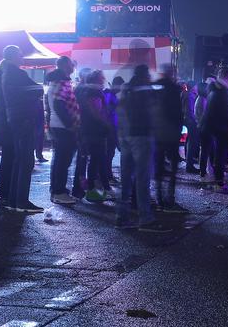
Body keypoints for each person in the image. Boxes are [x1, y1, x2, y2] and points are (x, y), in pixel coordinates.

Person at [116, 65, 170, 232]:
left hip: (125, 136)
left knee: (125, 178)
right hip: (141, 136)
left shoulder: (126, 89)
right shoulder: (144, 91)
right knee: (142, 178)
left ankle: (122, 216)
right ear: (145, 75)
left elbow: (119, 111)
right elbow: (152, 114)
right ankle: (145, 218)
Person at [0, 45, 44, 214]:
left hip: (12, 121)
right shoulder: (16, 74)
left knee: (16, 160)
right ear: (14, 56)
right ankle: (20, 200)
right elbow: (37, 88)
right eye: (20, 55)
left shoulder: (4, 74)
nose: (22, 58)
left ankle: (13, 199)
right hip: (22, 119)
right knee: (25, 161)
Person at [44, 56, 80, 205]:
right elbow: (59, 105)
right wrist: (70, 124)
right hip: (63, 127)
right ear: (65, 65)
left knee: (59, 159)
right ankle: (59, 191)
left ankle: (57, 190)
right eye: (72, 64)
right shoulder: (61, 83)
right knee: (63, 160)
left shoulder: (56, 82)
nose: (73, 66)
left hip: (58, 125)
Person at [152, 64, 186, 213]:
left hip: (157, 132)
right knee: (172, 166)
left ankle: (159, 197)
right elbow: (177, 113)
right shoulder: (173, 89)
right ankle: (169, 199)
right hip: (171, 132)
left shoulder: (154, 87)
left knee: (158, 166)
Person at [75, 71, 113, 202]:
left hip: (89, 130)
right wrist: (106, 124)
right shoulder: (94, 93)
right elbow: (95, 112)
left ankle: (94, 189)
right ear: (97, 80)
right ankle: (96, 189)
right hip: (95, 131)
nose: (104, 80)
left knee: (96, 159)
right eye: (102, 78)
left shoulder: (86, 91)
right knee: (98, 159)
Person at [200, 67, 228, 191]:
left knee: (220, 155)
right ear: (227, 77)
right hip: (223, 128)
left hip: (215, 128)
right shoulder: (224, 92)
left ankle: (220, 182)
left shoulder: (213, 88)